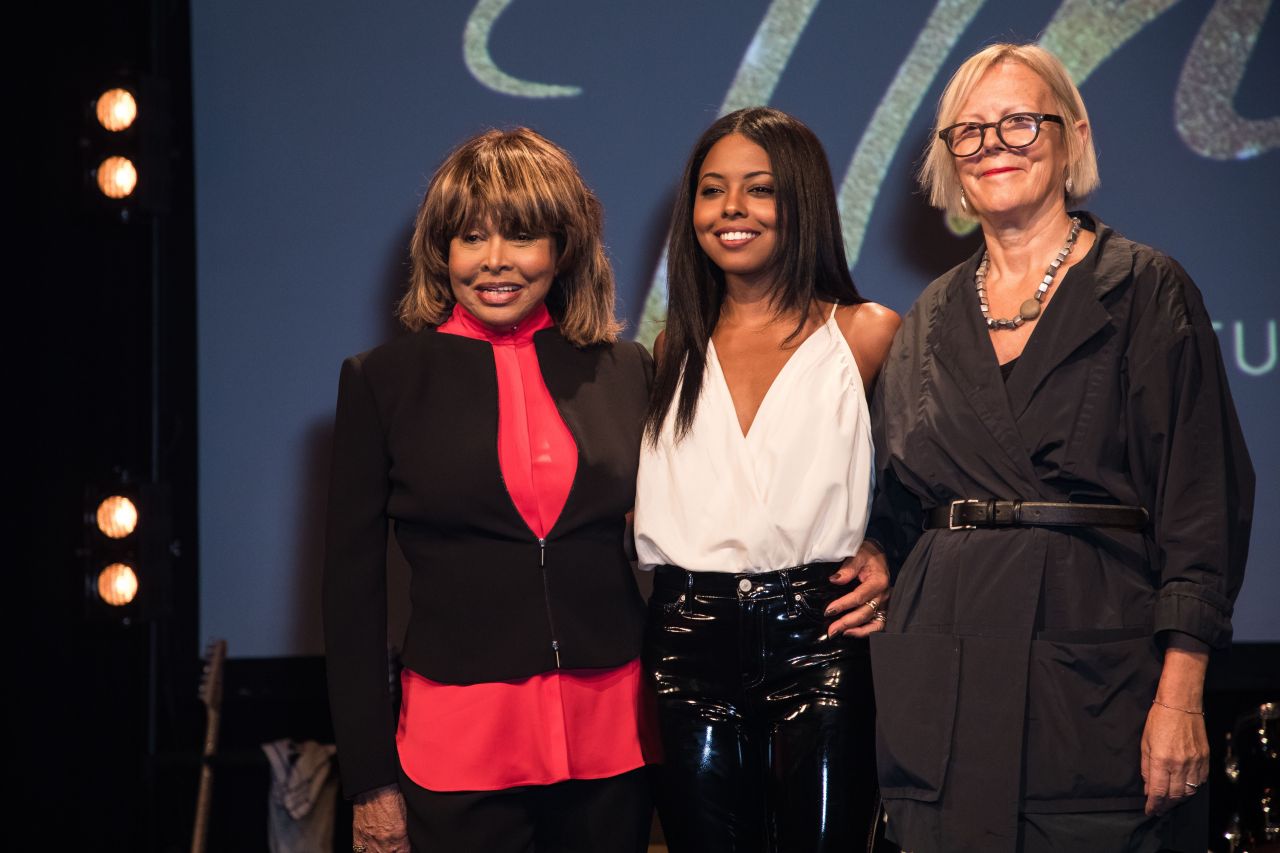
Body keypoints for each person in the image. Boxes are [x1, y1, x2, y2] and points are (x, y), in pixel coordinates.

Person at [859, 43, 1254, 853]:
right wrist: (872, 554)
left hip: (1094, 684)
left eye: (1019, 122)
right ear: (948, 160)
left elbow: (1202, 509)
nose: (993, 145)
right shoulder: (926, 318)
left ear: (1072, 135)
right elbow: (894, 504)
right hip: (947, 683)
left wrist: (1181, 697)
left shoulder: (1146, 289)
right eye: (968, 133)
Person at [323, 128, 657, 853]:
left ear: (563, 249)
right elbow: (351, 597)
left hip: (615, 737)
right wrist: (370, 779)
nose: (496, 261)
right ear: (442, 252)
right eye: (472, 237)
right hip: (459, 748)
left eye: (523, 235)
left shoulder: (628, 369)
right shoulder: (382, 380)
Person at [634, 106, 901, 852]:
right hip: (686, 638)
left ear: (803, 201)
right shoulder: (670, 350)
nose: (732, 210)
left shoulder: (868, 330)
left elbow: (923, 482)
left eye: (759, 189)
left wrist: (885, 547)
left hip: (818, 636)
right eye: (713, 190)